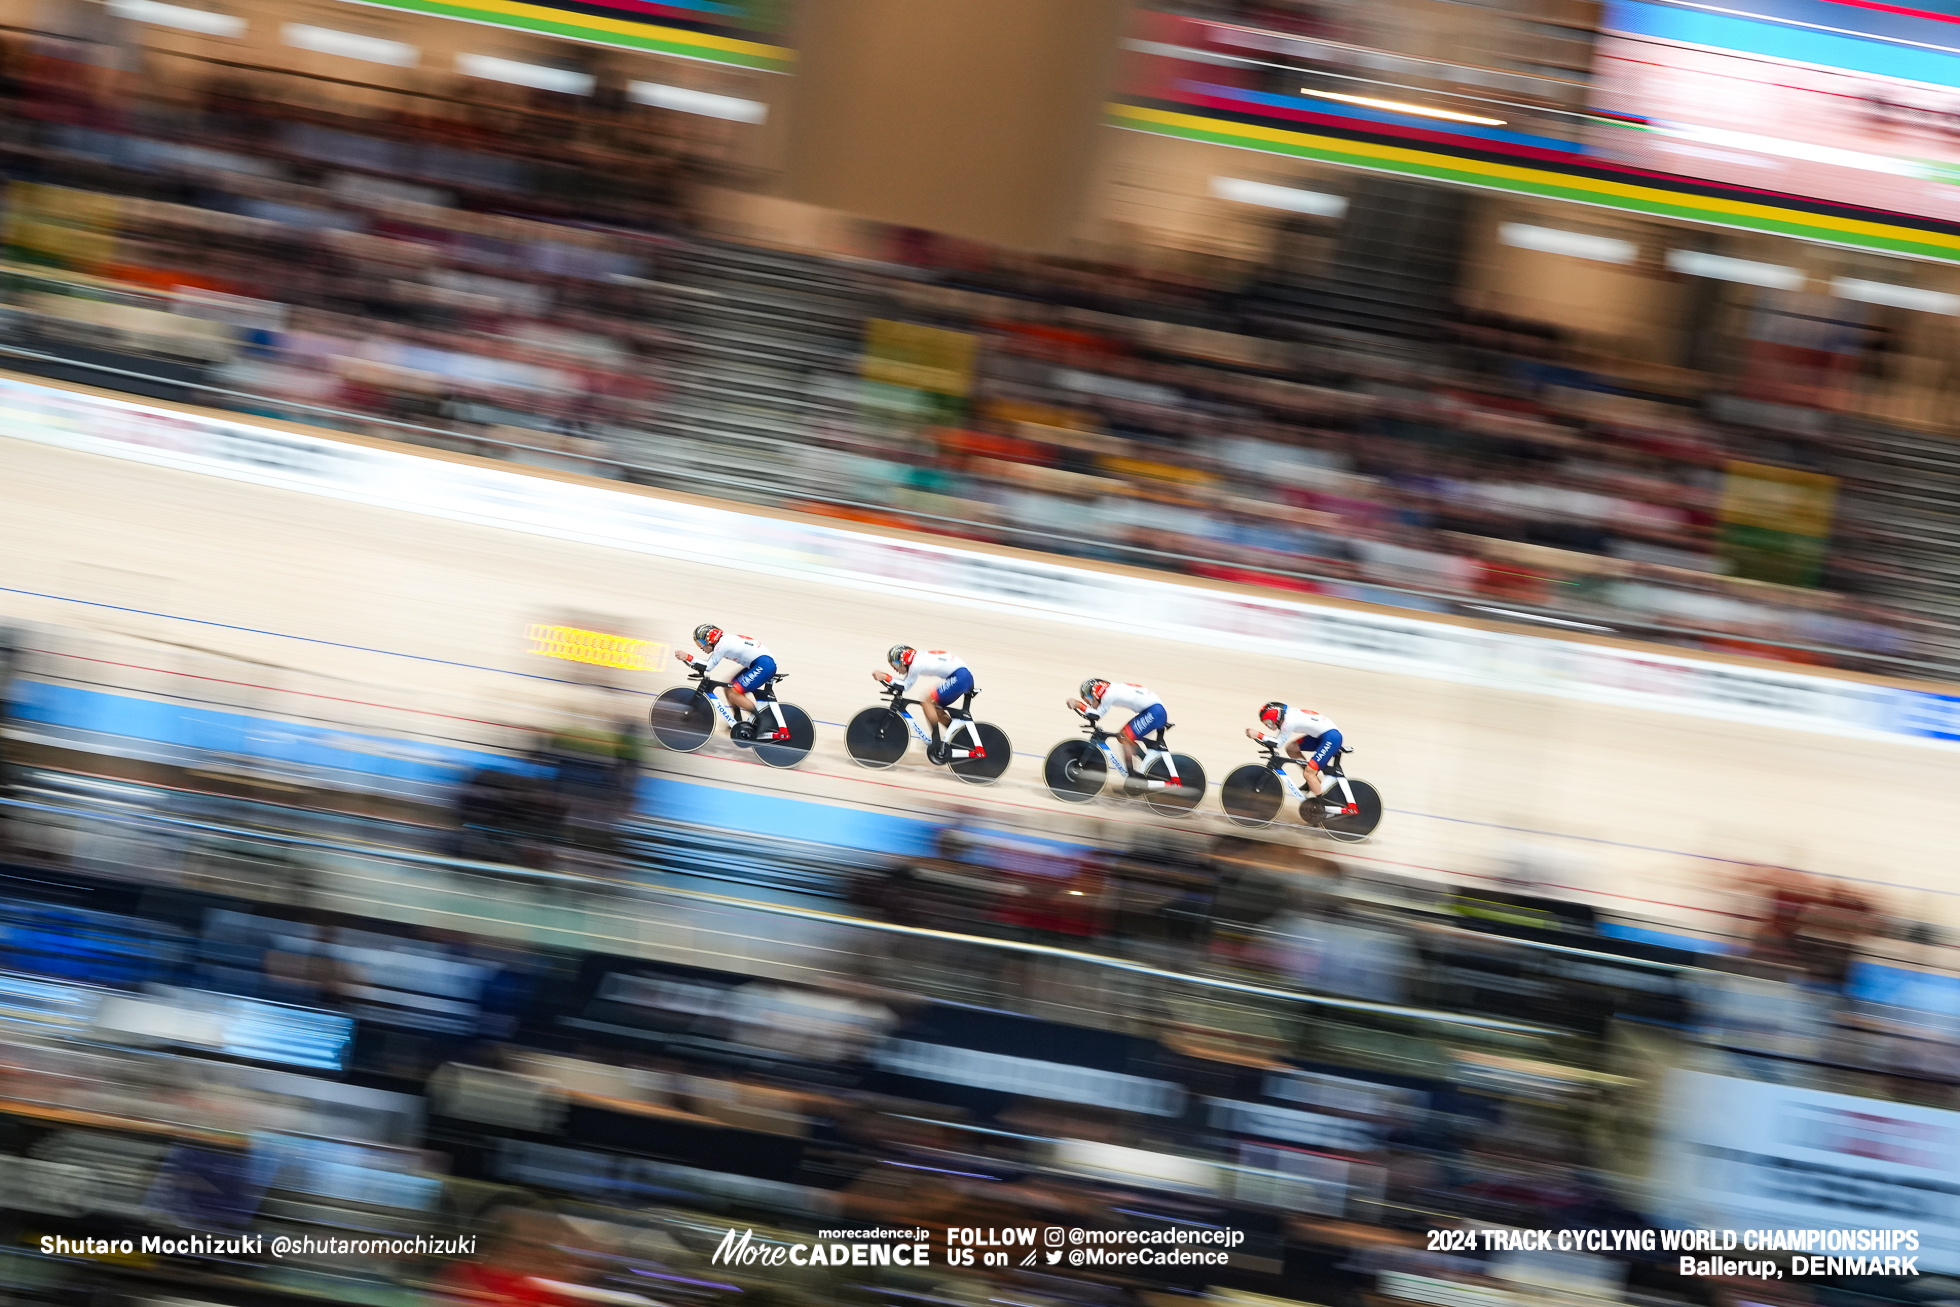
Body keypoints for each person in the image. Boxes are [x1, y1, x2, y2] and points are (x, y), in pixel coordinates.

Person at [674, 624, 775, 741]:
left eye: (700, 643)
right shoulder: (724, 641)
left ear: (709, 638)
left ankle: (763, 720)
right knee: (728, 687)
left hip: (764, 665)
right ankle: (738, 721)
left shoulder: (721, 645)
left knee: (734, 693)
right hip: (759, 663)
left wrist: (687, 656)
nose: (700, 647)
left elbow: (708, 666)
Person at [876, 645, 973, 764]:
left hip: (960, 677)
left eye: (895, 665)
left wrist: (886, 676)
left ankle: (936, 739)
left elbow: (905, 686)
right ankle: (958, 737)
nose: (895, 669)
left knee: (926, 702)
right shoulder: (918, 657)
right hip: (962, 676)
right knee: (934, 709)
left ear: (902, 660)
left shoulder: (915, 665)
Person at [1248, 701, 1350, 810]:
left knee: (1309, 773)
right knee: (1291, 748)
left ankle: (1320, 806)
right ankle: (1312, 782)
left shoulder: (1288, 722)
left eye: (1268, 722)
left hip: (1331, 738)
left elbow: (1278, 743)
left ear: (1276, 717)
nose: (1268, 725)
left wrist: (1258, 735)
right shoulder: (1287, 716)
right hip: (1322, 735)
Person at [1068, 679, 1164, 775]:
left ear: (1095, 694)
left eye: (1088, 700)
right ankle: (1149, 765)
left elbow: (1097, 715)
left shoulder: (1109, 695)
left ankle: (1133, 777)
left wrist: (1078, 705)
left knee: (1125, 737)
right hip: (1154, 709)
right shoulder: (1111, 689)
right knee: (1122, 737)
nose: (1089, 704)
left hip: (1155, 711)